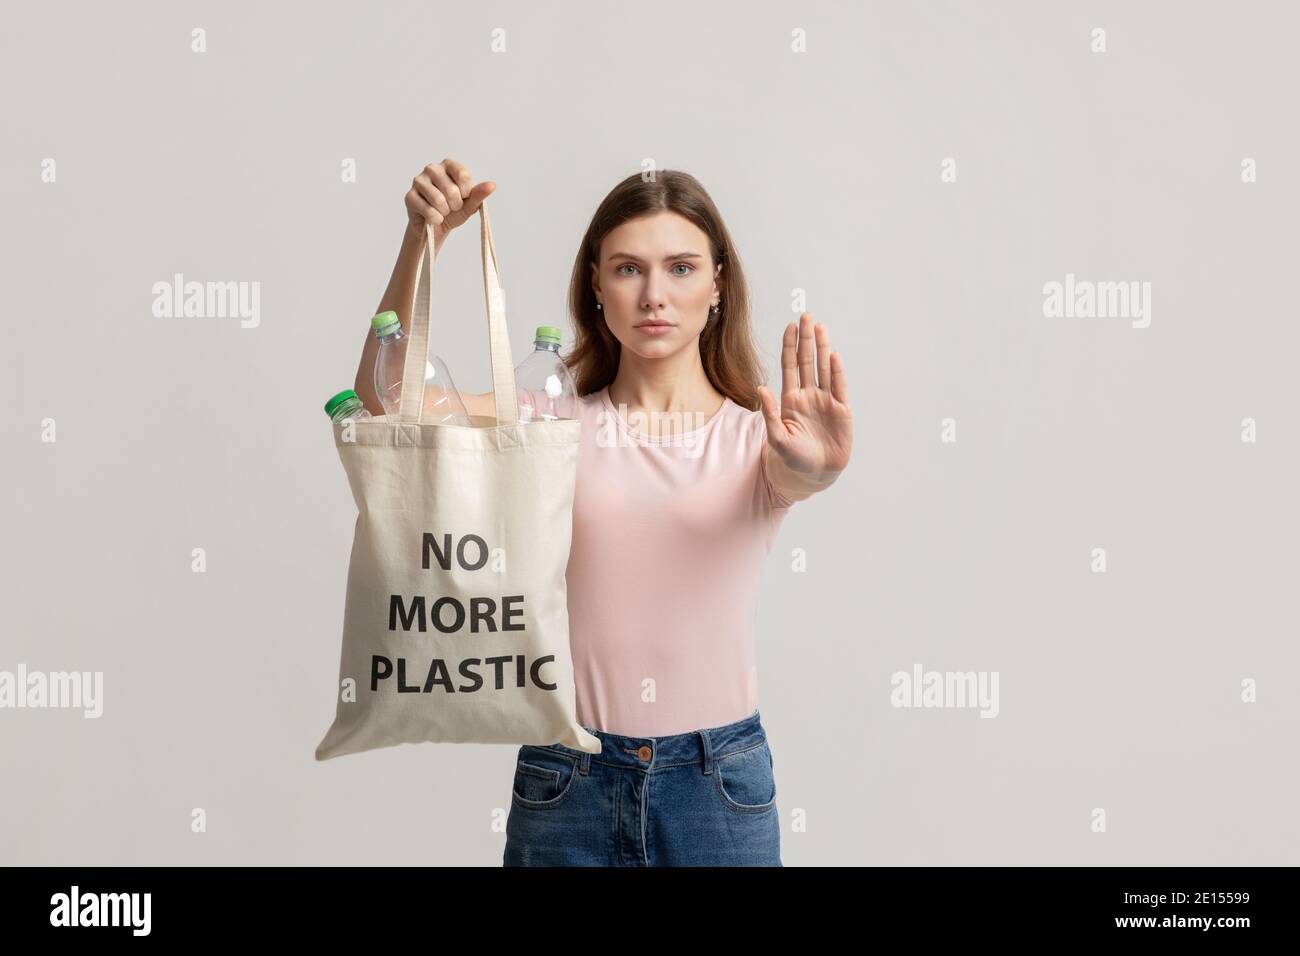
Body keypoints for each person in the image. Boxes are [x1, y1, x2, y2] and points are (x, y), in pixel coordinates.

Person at [354, 159, 853, 866]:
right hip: (570, 783)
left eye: (681, 268)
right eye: (628, 269)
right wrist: (421, 239)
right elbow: (387, 405)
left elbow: (796, 473)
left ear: (718, 285)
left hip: (718, 790)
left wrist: (817, 470)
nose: (655, 295)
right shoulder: (548, 424)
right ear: (596, 285)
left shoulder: (757, 440)